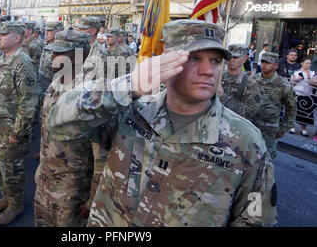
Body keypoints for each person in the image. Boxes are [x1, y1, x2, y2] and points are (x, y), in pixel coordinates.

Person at [47, 19, 277, 227]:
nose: (208, 70)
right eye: (194, 58)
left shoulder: (245, 140)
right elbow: (59, 121)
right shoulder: (132, 111)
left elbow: (255, 219)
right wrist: (129, 85)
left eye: (216, 61)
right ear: (166, 60)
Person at [34, 30, 103, 227]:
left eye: (59, 52)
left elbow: (101, 153)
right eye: (52, 51)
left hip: (72, 190)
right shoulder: (56, 82)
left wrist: (92, 199)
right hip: (45, 179)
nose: (52, 56)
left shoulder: (90, 94)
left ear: (78, 56)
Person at [0, 23, 38, 226]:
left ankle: (16, 204)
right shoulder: (3, 59)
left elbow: (29, 102)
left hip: (12, 131)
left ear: (16, 38)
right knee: (0, 168)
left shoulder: (24, 63)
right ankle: (6, 198)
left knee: (13, 171)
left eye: (3, 35)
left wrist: (18, 131)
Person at [251, 52, 296, 159]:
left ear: (276, 66)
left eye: (268, 63)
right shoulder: (253, 79)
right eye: (262, 62)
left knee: (265, 159)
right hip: (251, 125)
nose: (263, 65)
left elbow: (291, 108)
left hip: (269, 130)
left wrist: (283, 128)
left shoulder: (283, 84)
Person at [219, 44, 261, 120]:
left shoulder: (250, 84)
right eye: (229, 57)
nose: (231, 60)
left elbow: (248, 113)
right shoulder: (218, 77)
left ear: (244, 59)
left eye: (235, 57)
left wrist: (223, 97)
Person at [37, 21, 64, 105]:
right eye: (46, 31)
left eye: (50, 31)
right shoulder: (47, 45)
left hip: (54, 90)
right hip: (42, 87)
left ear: (58, 32)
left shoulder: (62, 49)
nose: (46, 33)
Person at [290, 57, 316, 137]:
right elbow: (291, 81)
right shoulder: (297, 72)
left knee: (306, 113)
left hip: (308, 95)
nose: (309, 65)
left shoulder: (312, 73)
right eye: (307, 63)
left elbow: (313, 84)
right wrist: (296, 79)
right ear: (302, 63)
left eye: (310, 63)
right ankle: (292, 127)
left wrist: (309, 77)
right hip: (297, 93)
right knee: (294, 111)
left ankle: (303, 129)